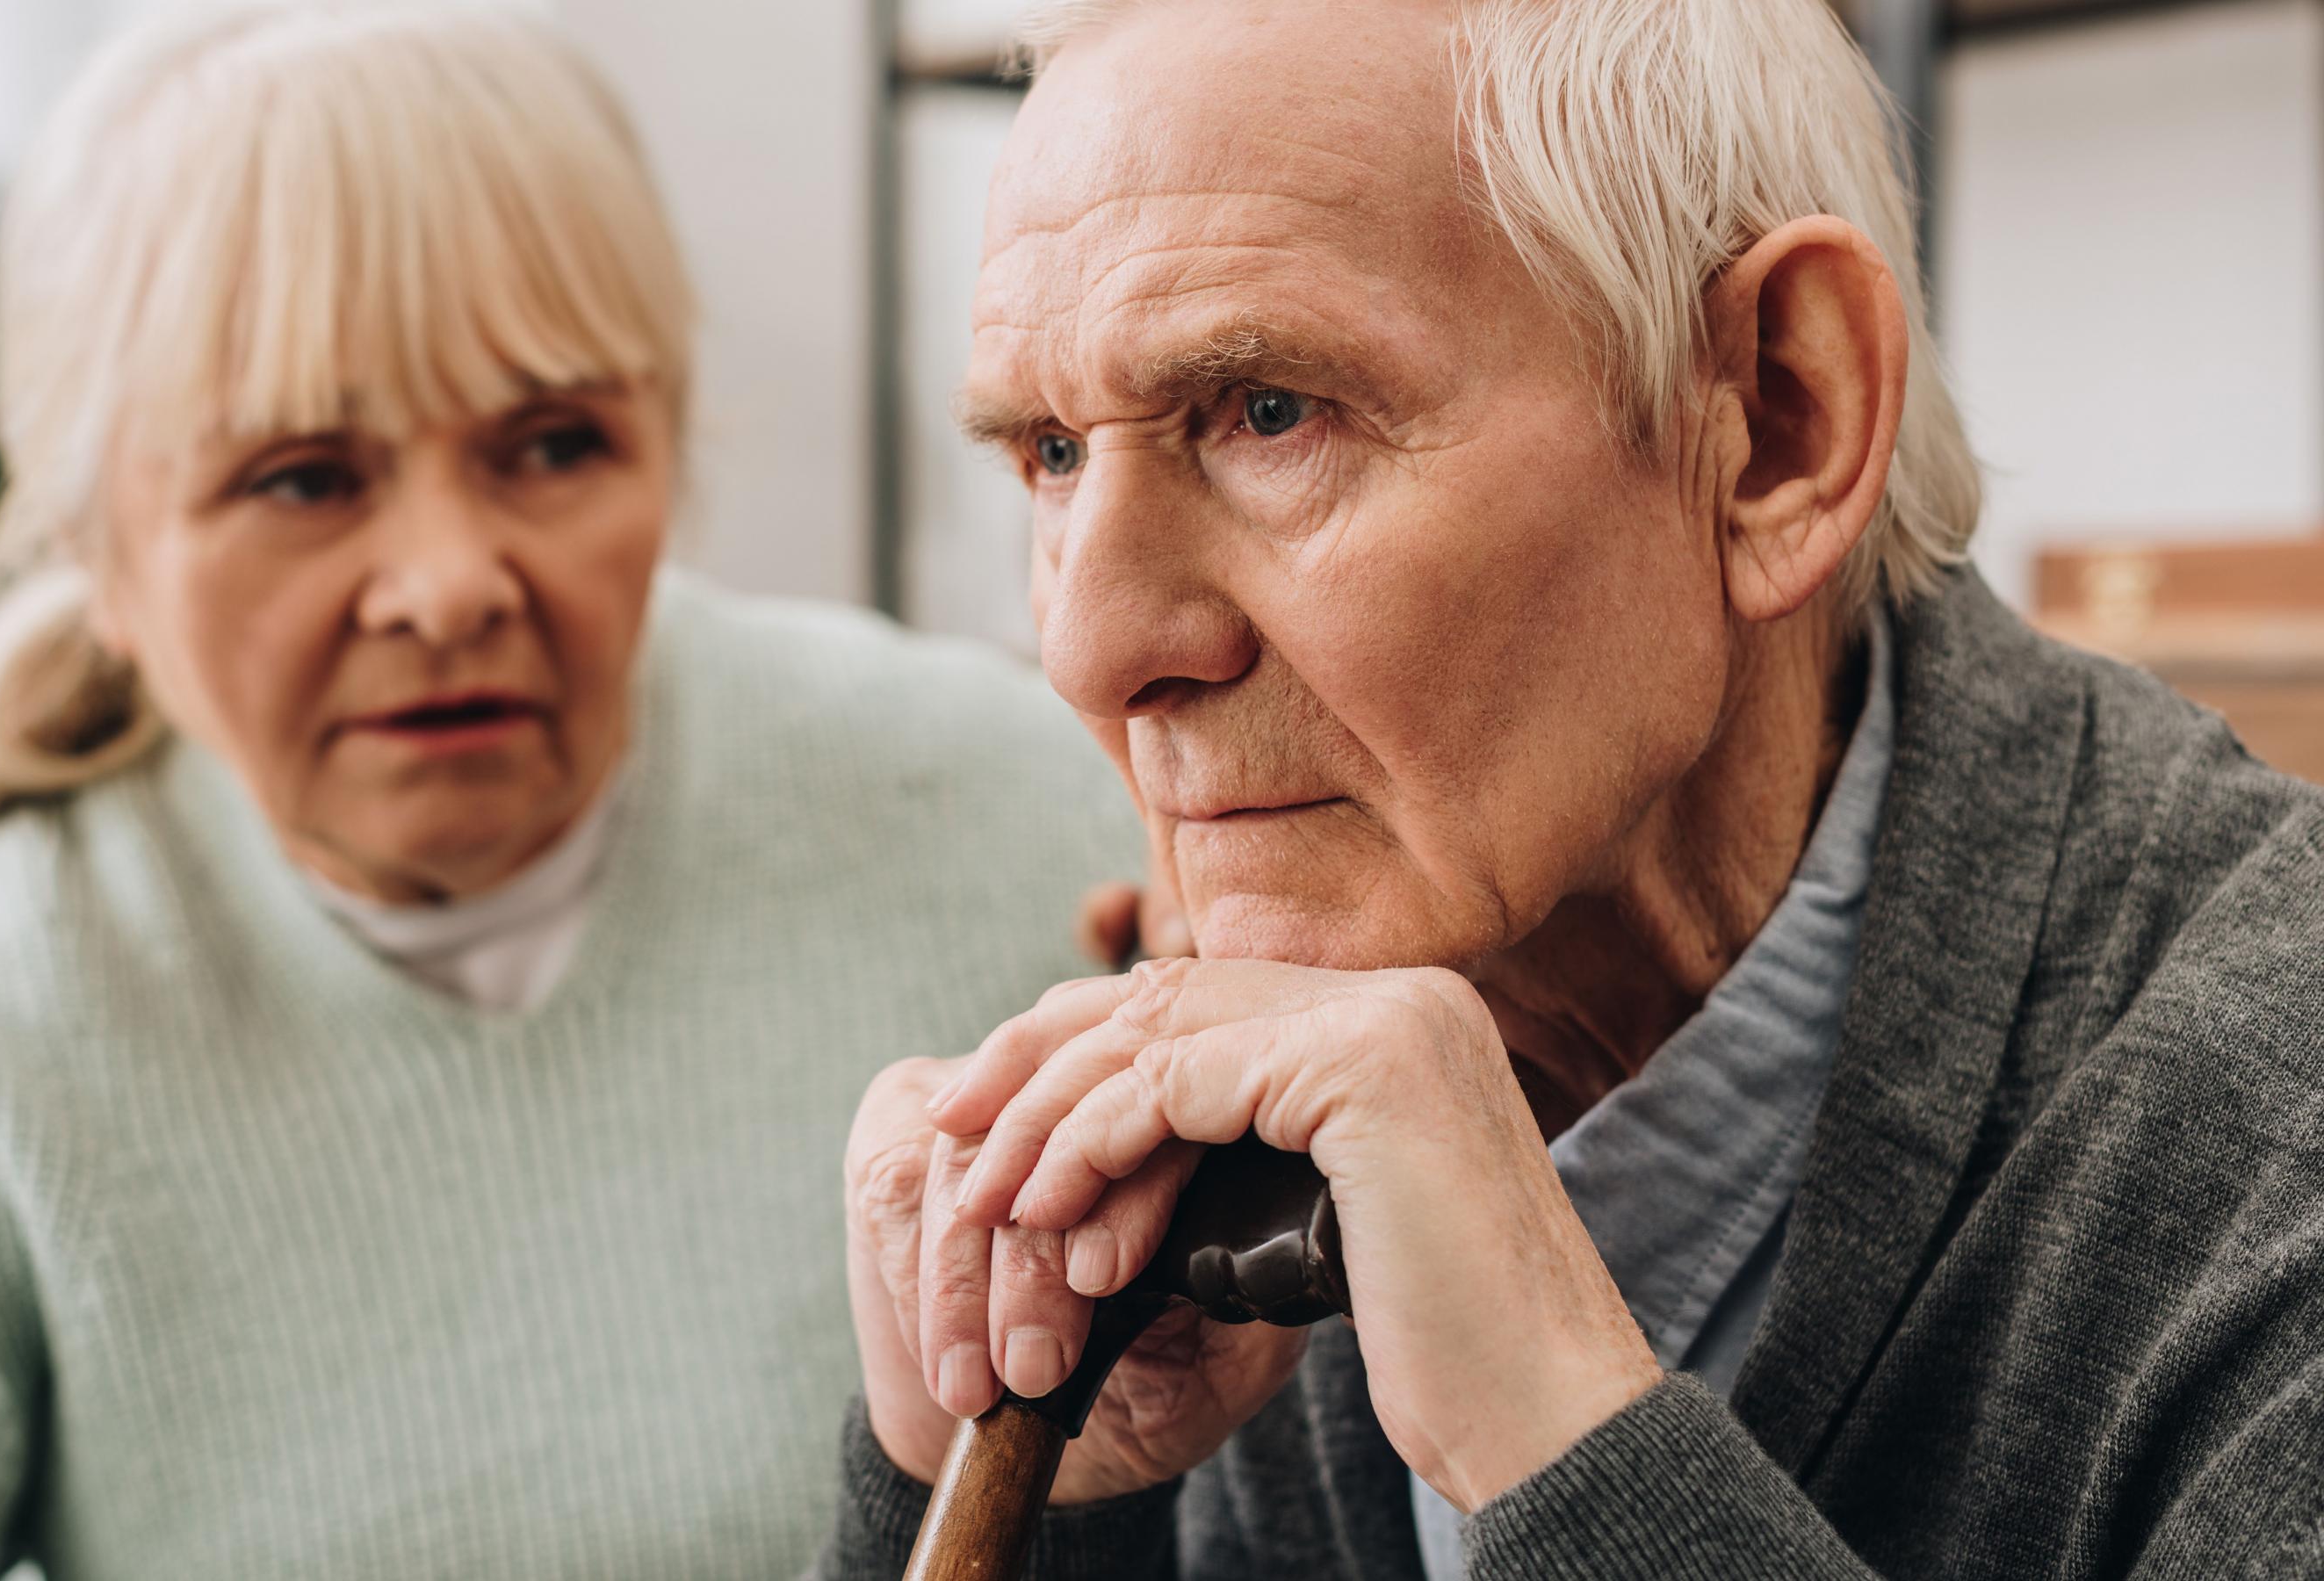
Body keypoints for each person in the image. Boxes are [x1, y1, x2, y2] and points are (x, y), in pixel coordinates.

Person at [0, 5, 1143, 1577]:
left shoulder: (1018, 810)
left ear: (667, 449)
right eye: (302, 479)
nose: (446, 586)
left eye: (552, 445)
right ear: (98, 552)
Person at [818, 0, 2324, 1577]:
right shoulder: (1202, 1100)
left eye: (1271, 413)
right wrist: (1021, 1490)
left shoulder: (2266, 1143)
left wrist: (1564, 1439)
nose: (1091, 645)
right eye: (1053, 453)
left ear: (1774, 426)